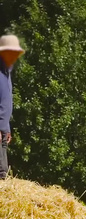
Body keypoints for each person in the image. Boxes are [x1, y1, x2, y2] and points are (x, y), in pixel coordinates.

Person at [0, 35, 25, 179]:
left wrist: (6, 128)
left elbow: (5, 102)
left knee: (3, 169)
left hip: (3, 129)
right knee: (1, 171)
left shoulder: (7, 73)